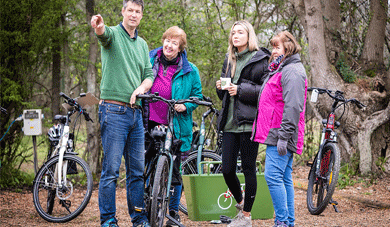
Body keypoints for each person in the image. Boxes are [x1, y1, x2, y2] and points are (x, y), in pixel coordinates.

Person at [91, 1, 153, 226]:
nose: (134, 15)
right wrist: (98, 26)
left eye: (138, 11)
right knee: (111, 171)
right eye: (130, 10)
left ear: (141, 15)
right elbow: (103, 34)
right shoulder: (114, 34)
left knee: (137, 172)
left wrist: (141, 88)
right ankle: (108, 220)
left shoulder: (143, 44)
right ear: (123, 12)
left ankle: (138, 218)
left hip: (135, 115)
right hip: (113, 111)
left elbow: (148, 73)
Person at [144, 26, 202, 226]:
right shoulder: (149, 60)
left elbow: (197, 96)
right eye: (167, 40)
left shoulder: (190, 70)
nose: (169, 45)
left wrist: (185, 105)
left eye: (174, 43)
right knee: (145, 164)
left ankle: (173, 212)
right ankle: (145, 204)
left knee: (174, 171)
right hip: (149, 120)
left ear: (180, 47)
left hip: (176, 124)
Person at [215, 20, 270, 227]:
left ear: (249, 36)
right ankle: (240, 204)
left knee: (248, 168)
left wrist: (240, 89)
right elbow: (223, 96)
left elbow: (264, 92)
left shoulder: (260, 59)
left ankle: (246, 216)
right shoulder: (229, 59)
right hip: (229, 122)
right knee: (227, 169)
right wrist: (220, 87)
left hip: (248, 122)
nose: (235, 36)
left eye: (240, 32)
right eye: (233, 33)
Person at [252, 31, 307, 227]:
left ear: (288, 48)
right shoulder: (281, 68)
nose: (274, 51)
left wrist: (283, 137)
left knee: (273, 176)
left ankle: (282, 221)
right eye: (273, 47)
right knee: (283, 177)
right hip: (277, 132)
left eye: (277, 47)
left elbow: (293, 106)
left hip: (281, 133)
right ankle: (287, 222)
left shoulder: (291, 71)